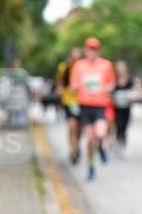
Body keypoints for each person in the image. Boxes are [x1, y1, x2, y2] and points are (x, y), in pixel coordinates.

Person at [70, 37, 116, 181]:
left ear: (98, 50)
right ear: (86, 50)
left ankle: (101, 147)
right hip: (85, 105)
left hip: (100, 104)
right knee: (90, 140)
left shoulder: (106, 65)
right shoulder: (78, 65)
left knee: (101, 133)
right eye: (90, 49)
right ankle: (91, 167)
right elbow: (72, 85)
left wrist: (106, 88)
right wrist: (82, 85)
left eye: (95, 49)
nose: (92, 51)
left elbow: (111, 83)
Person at [56, 47, 83, 164]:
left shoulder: (84, 67)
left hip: (83, 101)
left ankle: (76, 144)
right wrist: (60, 91)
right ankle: (74, 151)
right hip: (69, 100)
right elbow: (59, 82)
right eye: (74, 57)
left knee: (80, 128)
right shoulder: (64, 67)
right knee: (72, 125)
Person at [112, 60, 134, 156]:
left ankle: (123, 146)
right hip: (116, 108)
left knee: (124, 127)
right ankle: (117, 146)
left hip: (126, 107)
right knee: (118, 126)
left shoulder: (129, 79)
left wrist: (131, 96)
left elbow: (135, 92)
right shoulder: (114, 80)